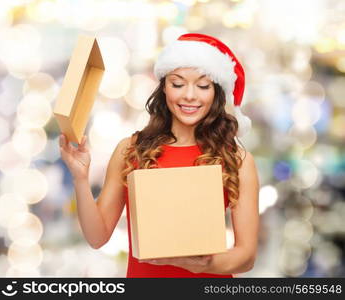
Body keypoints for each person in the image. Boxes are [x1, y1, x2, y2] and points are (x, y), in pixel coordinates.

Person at [59, 33, 259, 278]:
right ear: (164, 87)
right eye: (177, 84)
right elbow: (97, 236)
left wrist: (203, 265)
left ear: (216, 92)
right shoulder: (131, 150)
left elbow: (246, 255)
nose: (189, 95)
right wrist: (80, 178)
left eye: (203, 86)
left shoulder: (236, 159)